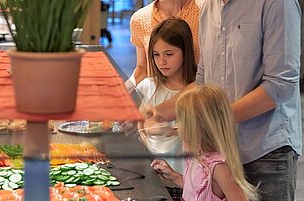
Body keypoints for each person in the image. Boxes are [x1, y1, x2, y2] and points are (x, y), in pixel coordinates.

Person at [147, 0, 302, 200]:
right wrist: (157, 113)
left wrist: (208, 122)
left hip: (264, 150)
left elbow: (280, 85)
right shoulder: (208, 8)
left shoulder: (276, 4)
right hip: (221, 146)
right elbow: (203, 80)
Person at [151, 85, 260, 201]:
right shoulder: (194, 154)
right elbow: (194, 191)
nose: (178, 126)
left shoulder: (218, 168)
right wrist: (173, 176)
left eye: (183, 121)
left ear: (201, 126)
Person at [135, 18, 197, 174]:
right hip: (152, 177)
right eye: (156, 55)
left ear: (186, 51)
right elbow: (139, 129)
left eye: (169, 54)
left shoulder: (199, 94)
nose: (161, 61)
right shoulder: (146, 87)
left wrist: (174, 131)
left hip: (187, 181)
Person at [124, 0, 202, 93]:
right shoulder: (139, 19)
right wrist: (121, 93)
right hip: (157, 94)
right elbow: (142, 69)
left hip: (196, 95)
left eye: (169, 54)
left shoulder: (204, 11)